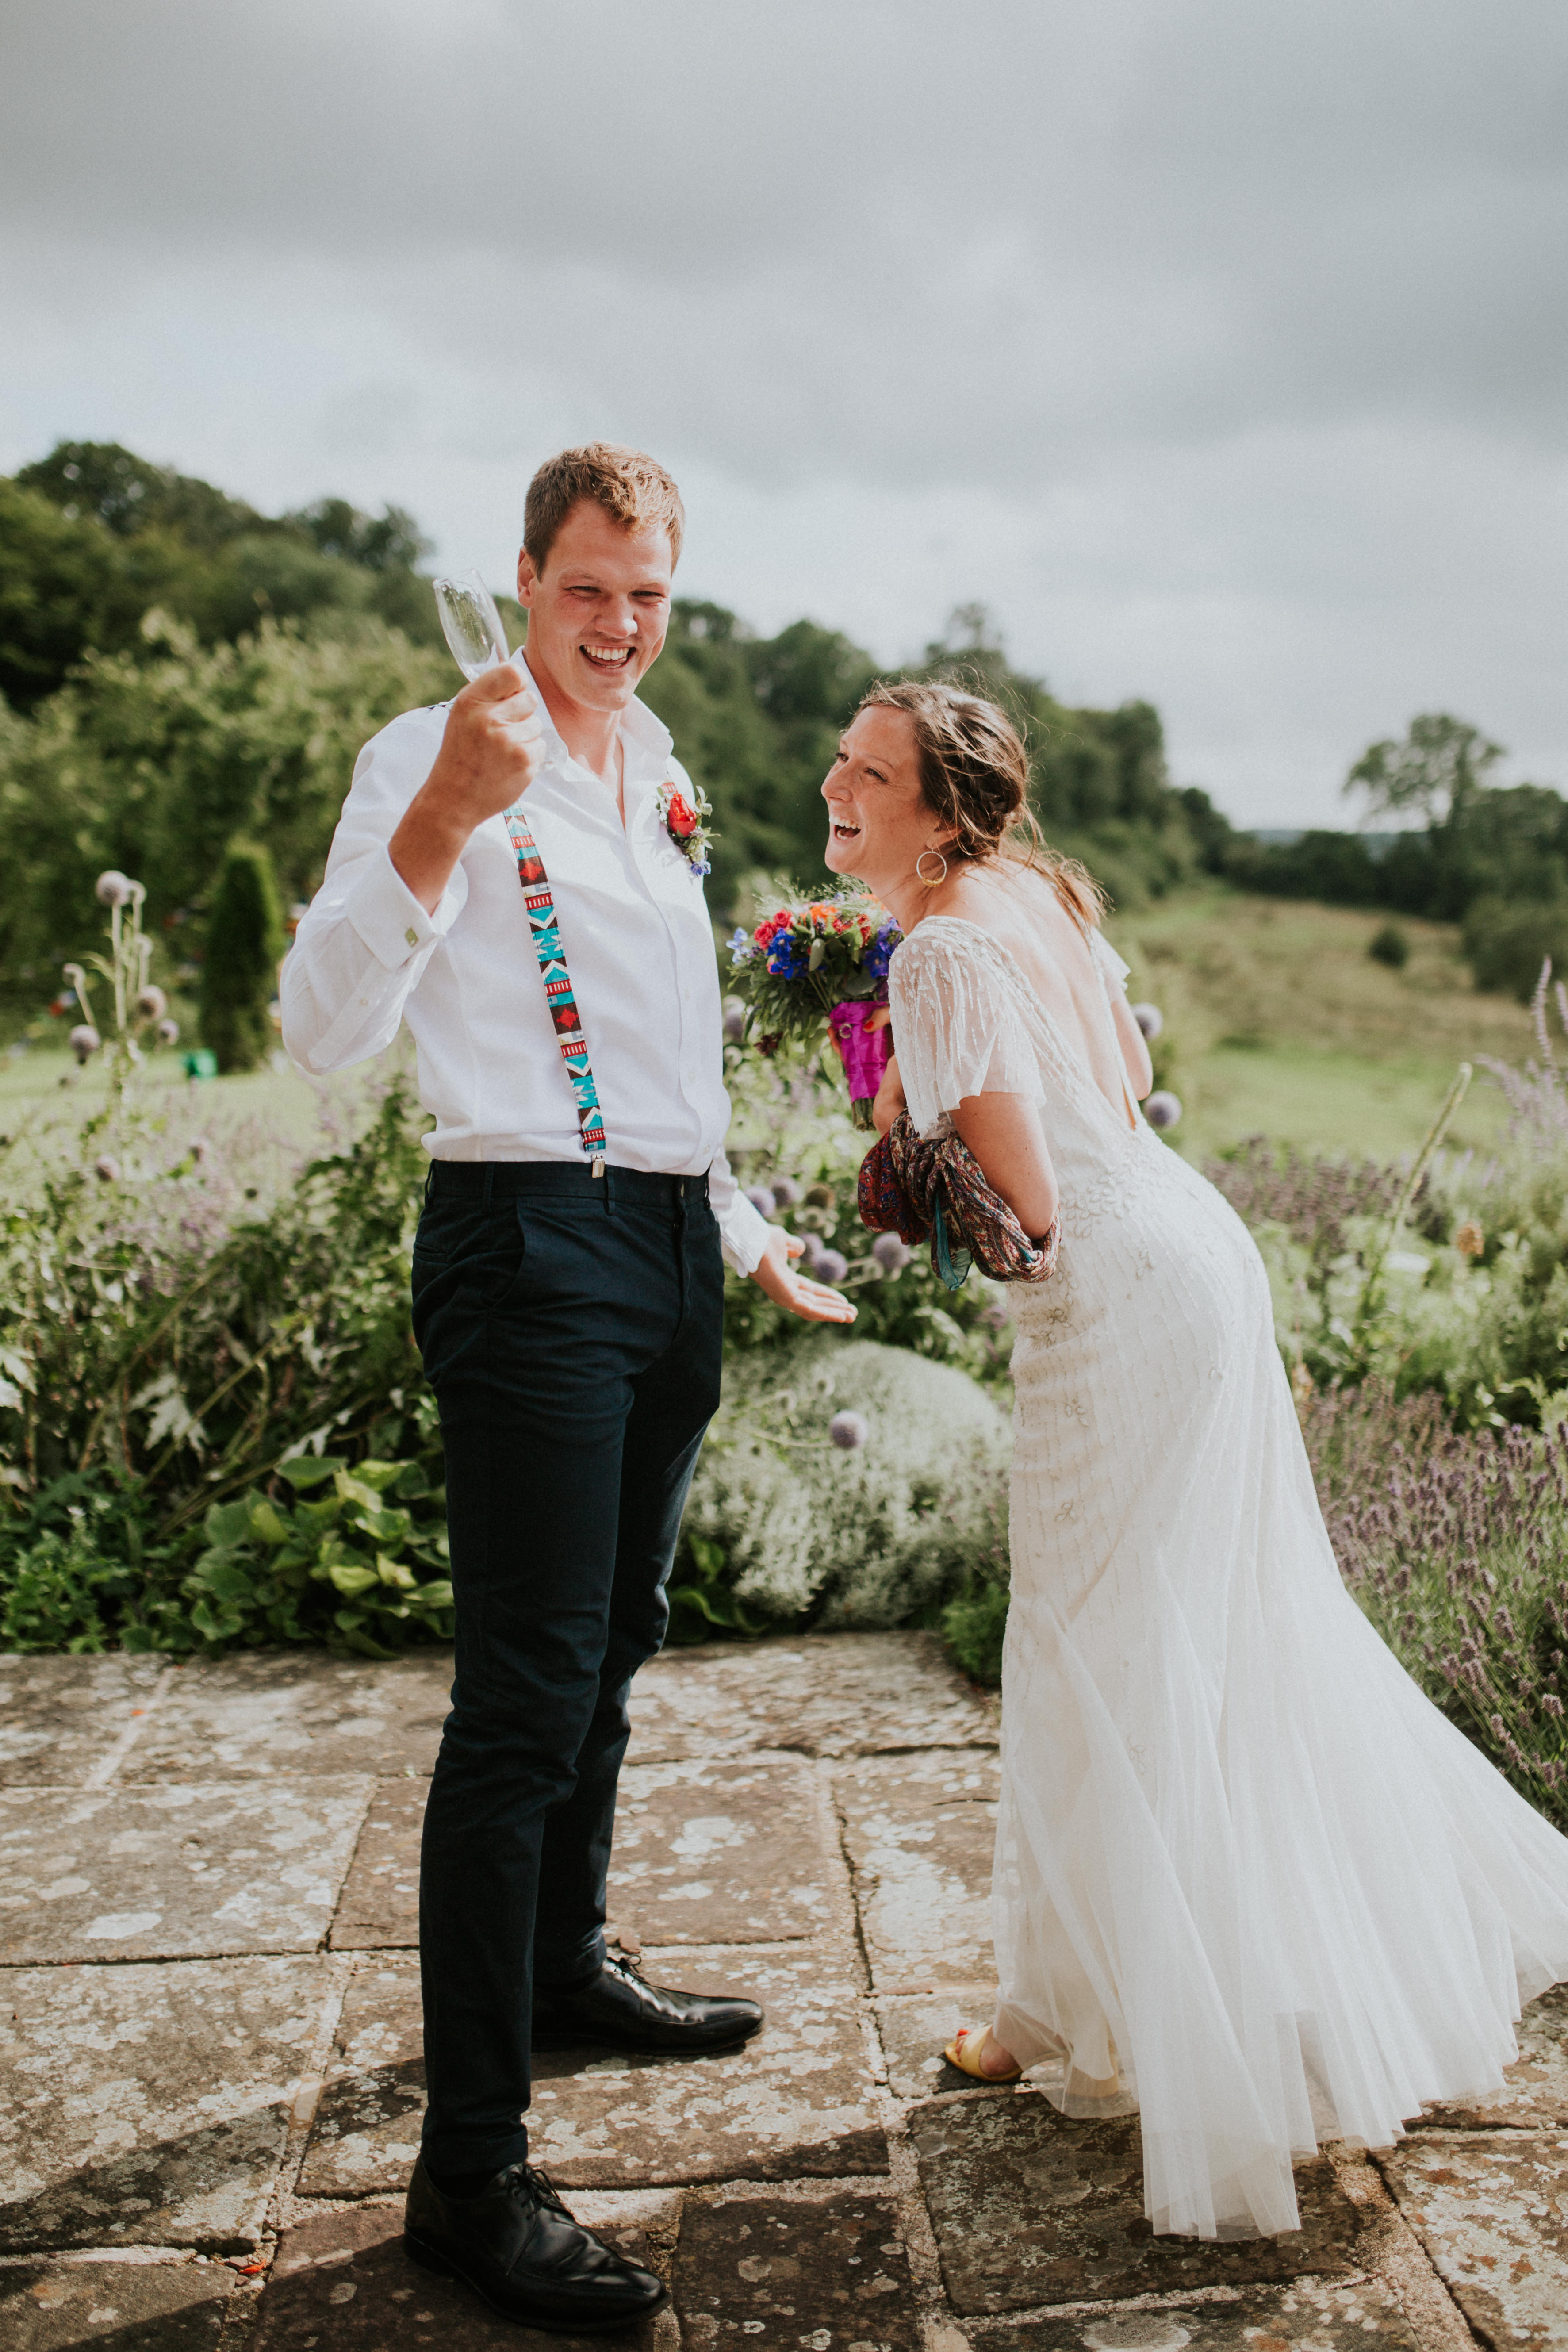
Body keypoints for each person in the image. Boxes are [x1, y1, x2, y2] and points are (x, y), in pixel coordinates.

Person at [824, 676, 1568, 2241]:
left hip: (1113, 1306)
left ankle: (1072, 2014)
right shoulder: (1035, 890)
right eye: (841, 758)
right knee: (1201, 1633)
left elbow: (1024, 1216)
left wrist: (901, 1161)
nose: (837, 784)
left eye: (868, 770)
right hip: (1194, 1259)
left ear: (940, 812)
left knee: (1096, 1643)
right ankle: (1091, 1991)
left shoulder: (944, 940)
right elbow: (1111, 1091)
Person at [282, 443, 853, 2329]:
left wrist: (745, 1221)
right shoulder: (428, 751)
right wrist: (441, 819)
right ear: (524, 577)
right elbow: (318, 1029)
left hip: (668, 1240)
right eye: (586, 588)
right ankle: (467, 2175)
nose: (616, 626)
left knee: (617, 1639)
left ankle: (561, 1961)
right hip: (521, 1238)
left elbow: (664, 1050)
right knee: (522, 1697)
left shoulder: (663, 762)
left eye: (647, 595)